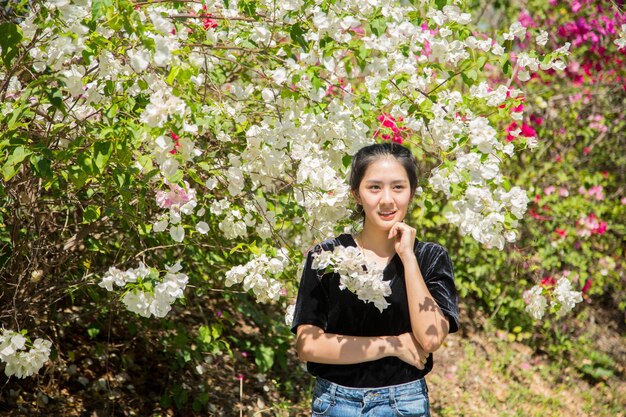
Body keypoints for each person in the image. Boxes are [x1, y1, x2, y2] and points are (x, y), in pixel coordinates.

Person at [290, 142, 459, 417]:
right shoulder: (327, 257)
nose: (387, 200)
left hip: (404, 402)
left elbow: (430, 339)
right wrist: (392, 345)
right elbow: (308, 345)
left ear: (412, 193)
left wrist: (408, 258)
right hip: (335, 402)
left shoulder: (429, 257)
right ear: (356, 194)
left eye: (398, 187)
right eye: (374, 187)